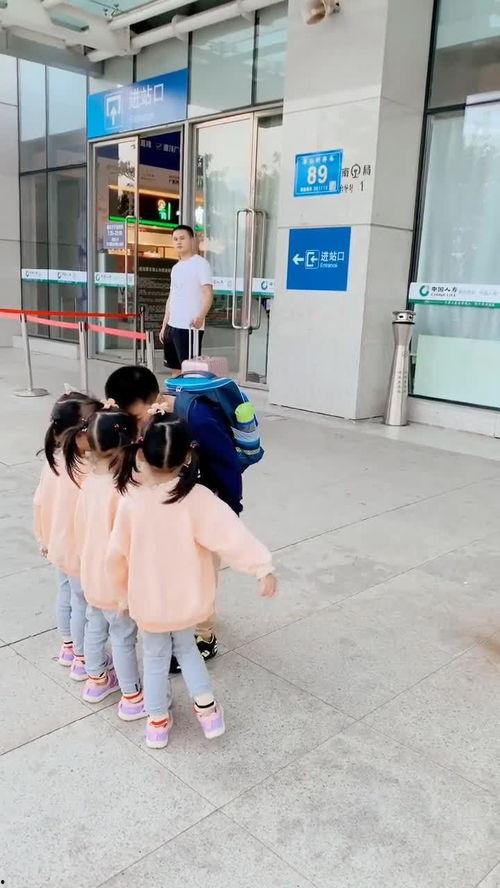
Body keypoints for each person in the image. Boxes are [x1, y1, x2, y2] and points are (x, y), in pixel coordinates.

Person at [106, 408, 277, 749]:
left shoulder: (131, 501)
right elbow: (231, 535)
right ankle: (208, 712)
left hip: (148, 602)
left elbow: (116, 555)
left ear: (142, 453)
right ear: (187, 456)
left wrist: (120, 595)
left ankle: (157, 722)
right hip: (187, 601)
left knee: (154, 657)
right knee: (188, 650)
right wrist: (262, 567)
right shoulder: (197, 498)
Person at [104, 365, 243, 666]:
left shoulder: (198, 418)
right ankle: (177, 622)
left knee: (202, 572)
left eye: (135, 417)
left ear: (153, 399)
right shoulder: (149, 420)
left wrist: (231, 509)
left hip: (203, 506)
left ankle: (204, 635)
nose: (135, 425)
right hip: (169, 508)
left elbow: (227, 465)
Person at [63, 401, 145, 719]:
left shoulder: (89, 484)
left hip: (91, 573)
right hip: (115, 582)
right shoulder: (124, 492)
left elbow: (80, 529)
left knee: (95, 625)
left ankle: (96, 680)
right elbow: (126, 546)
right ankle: (132, 697)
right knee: (122, 636)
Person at [33, 390, 102, 680]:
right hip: (79, 552)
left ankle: (68, 646)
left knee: (65, 594)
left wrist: (43, 539)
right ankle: (83, 660)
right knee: (82, 604)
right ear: (79, 432)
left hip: (57, 545)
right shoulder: (87, 470)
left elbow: (39, 503)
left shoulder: (53, 461)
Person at [159, 225, 213, 371]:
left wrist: (201, 317)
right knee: (174, 370)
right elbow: (171, 296)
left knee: (189, 371)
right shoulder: (176, 268)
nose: (178, 242)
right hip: (172, 326)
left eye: (182, 238)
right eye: (175, 239)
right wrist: (165, 324)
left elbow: (208, 293)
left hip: (189, 327)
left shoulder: (201, 264)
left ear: (192, 240)